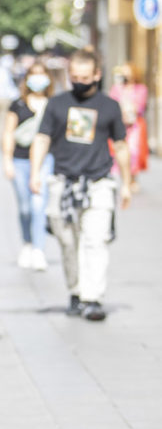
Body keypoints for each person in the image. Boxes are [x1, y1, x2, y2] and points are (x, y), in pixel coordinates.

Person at [29, 48, 132, 322]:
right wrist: (35, 173)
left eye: (85, 77)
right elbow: (41, 139)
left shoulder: (109, 106)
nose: (79, 81)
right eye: (74, 76)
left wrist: (126, 183)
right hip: (63, 182)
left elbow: (120, 145)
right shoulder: (57, 104)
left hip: (98, 183)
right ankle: (75, 290)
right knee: (67, 242)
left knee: (95, 241)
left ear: (97, 75)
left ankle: (92, 297)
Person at [3, 61, 55, 271]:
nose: (37, 79)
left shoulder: (53, 104)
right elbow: (8, 132)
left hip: (45, 160)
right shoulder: (18, 104)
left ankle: (39, 250)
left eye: (42, 74)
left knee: (38, 205)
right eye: (34, 74)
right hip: (20, 159)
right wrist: (7, 160)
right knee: (25, 206)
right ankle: (27, 243)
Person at [109, 61, 149, 193]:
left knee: (133, 152)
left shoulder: (141, 88)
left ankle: (132, 179)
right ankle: (123, 178)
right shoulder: (117, 88)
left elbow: (141, 105)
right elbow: (112, 102)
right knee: (119, 149)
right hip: (120, 123)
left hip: (134, 125)